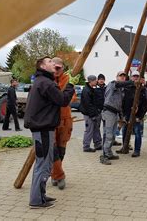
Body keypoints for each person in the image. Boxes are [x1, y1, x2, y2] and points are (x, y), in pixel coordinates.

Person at [24, 57, 74, 209]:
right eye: (50, 62)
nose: (54, 64)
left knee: (43, 163)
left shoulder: (41, 81)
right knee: (44, 165)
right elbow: (63, 100)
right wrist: (71, 86)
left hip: (42, 128)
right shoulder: (46, 83)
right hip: (43, 129)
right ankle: (37, 200)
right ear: (42, 66)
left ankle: (40, 195)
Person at [50, 57, 75, 190]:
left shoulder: (68, 80)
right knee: (53, 150)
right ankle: (60, 175)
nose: (56, 70)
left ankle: (54, 174)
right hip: (51, 120)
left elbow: (71, 97)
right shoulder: (47, 80)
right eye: (54, 67)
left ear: (63, 68)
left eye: (58, 67)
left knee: (61, 150)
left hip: (65, 119)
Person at [100, 71, 134, 165]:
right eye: (121, 76)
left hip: (114, 113)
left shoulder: (120, 90)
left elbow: (119, 104)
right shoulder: (113, 84)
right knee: (108, 135)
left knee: (113, 135)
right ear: (117, 77)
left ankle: (109, 153)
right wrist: (131, 81)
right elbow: (119, 84)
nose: (123, 77)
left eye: (124, 76)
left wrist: (121, 116)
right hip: (108, 112)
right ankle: (104, 155)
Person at [118, 71, 147, 157]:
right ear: (131, 78)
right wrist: (123, 115)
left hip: (137, 115)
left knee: (137, 132)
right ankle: (125, 147)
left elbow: (146, 104)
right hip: (127, 114)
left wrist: (140, 115)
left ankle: (137, 150)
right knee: (124, 131)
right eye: (134, 76)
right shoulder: (127, 88)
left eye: (137, 76)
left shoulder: (143, 89)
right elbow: (123, 102)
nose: (135, 78)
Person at [80, 75, 103, 152]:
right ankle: (86, 146)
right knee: (89, 130)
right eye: (95, 80)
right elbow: (88, 104)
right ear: (91, 81)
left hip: (94, 113)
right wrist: (92, 115)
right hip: (89, 114)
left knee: (96, 129)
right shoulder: (86, 91)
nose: (96, 81)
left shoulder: (91, 89)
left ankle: (98, 144)